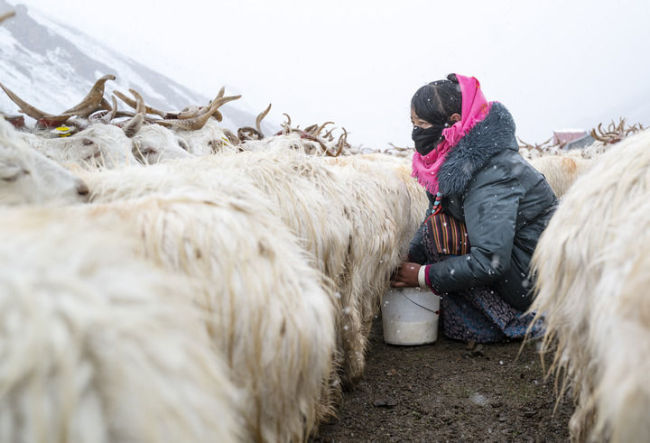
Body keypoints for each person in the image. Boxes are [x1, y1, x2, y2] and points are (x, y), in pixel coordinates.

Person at [390, 73, 557, 343]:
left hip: (533, 279)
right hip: (517, 263)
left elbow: (491, 261)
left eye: (422, 125)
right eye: (413, 124)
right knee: (438, 228)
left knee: (442, 232)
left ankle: (499, 319)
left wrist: (421, 275)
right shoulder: (454, 163)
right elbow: (434, 213)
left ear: (453, 123)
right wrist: (410, 258)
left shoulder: (492, 173)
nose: (416, 134)